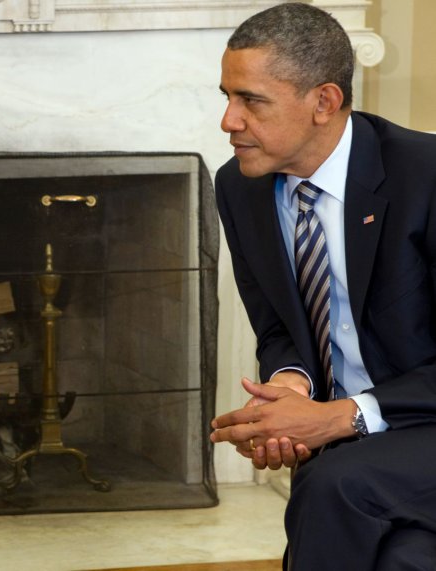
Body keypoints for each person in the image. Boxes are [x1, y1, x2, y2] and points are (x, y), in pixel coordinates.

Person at [210, 3, 436, 569]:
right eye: (227, 96)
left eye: (251, 101)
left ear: (324, 102)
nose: (229, 121)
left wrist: (341, 417)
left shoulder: (425, 177)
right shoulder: (239, 187)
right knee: (404, 559)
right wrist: (290, 386)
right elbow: (276, 326)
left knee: (334, 482)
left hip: (421, 421)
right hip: (368, 450)